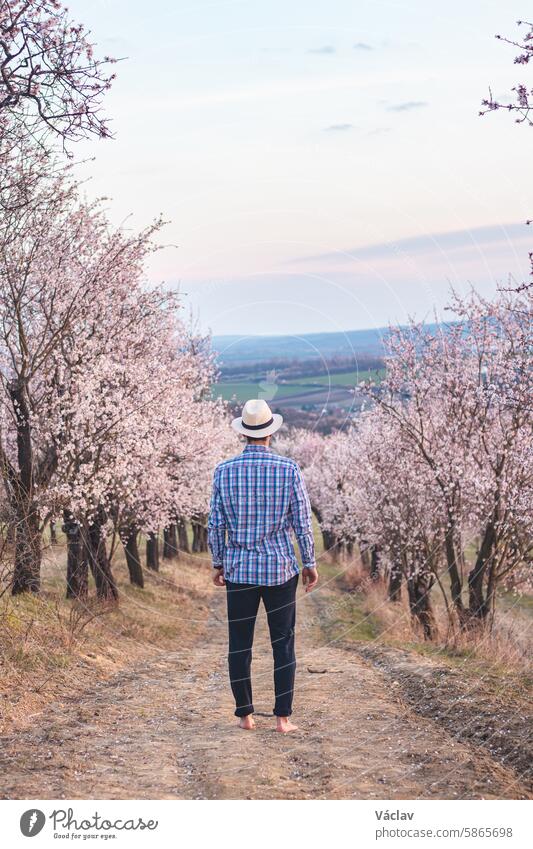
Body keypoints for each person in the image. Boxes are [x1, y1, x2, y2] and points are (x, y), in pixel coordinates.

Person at [208, 398, 319, 733]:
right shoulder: (289, 470)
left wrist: (218, 562)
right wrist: (309, 562)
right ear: (270, 433)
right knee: (282, 643)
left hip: (240, 570)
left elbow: (215, 525)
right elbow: (302, 522)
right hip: (280, 570)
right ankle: (283, 719)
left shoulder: (224, 472)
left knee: (239, 643)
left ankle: (245, 715)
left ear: (244, 434)